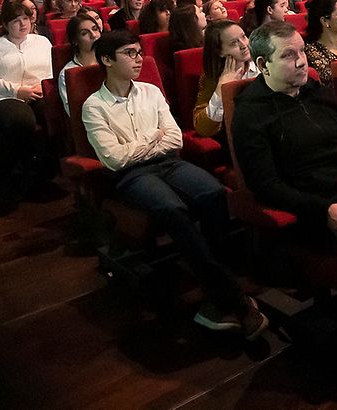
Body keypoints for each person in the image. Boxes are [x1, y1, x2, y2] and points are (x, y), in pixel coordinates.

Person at [82, 29, 268, 338]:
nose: (138, 58)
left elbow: (173, 138)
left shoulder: (150, 92)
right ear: (106, 60)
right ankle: (233, 295)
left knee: (212, 193)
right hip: (131, 176)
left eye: (139, 52)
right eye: (129, 53)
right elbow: (114, 160)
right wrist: (151, 139)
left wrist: (143, 144)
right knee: (173, 209)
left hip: (169, 163)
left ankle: (216, 282)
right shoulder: (94, 106)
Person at [232, 21, 337, 253]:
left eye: (302, 51)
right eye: (288, 55)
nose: (302, 61)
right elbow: (266, 185)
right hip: (315, 210)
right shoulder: (251, 114)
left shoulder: (317, 92)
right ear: (263, 65)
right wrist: (325, 210)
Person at [0, 0, 55, 215]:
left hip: (39, 93)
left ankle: (37, 177)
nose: (23, 25)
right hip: (2, 97)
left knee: (55, 119)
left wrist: (41, 85)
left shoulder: (42, 42)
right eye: (16, 21)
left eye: (26, 19)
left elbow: (51, 70)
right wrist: (16, 90)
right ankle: (4, 179)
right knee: (21, 122)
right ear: (5, 24)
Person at [192, 20, 260, 139]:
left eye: (243, 36)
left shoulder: (261, 62)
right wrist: (221, 89)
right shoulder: (211, 79)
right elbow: (202, 129)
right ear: (220, 52)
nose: (244, 45)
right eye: (234, 43)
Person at [59, 13, 101, 117]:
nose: (93, 35)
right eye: (84, 33)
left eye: (95, 29)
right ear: (75, 41)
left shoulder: (111, 61)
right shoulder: (68, 73)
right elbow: (73, 112)